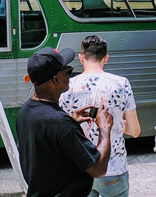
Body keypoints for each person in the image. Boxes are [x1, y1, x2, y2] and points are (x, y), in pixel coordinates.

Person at [17, 47, 114, 197]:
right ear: (55, 79)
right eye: (67, 70)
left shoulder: (25, 111)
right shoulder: (60, 124)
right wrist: (105, 129)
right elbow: (98, 169)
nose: (70, 75)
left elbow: (46, 151)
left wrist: (72, 122)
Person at [59, 36, 139, 197]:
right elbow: (135, 131)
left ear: (81, 58)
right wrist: (118, 124)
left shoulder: (68, 87)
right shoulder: (121, 84)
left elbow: (63, 127)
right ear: (106, 58)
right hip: (114, 167)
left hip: (80, 167)